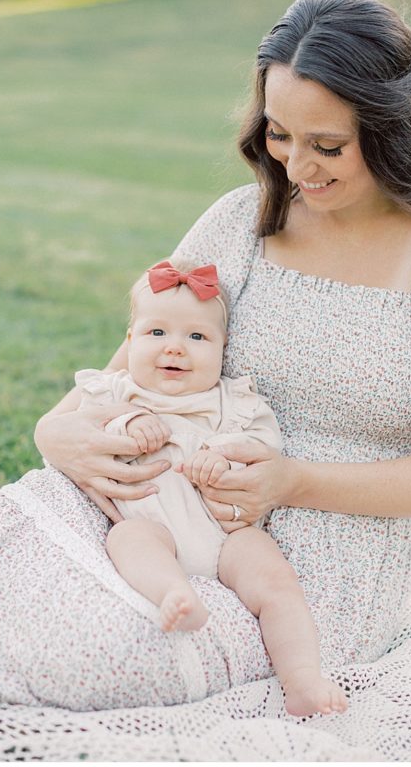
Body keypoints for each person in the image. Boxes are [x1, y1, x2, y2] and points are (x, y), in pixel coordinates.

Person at [0, 0, 411, 762]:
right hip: (155, 510)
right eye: (278, 135)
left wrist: (291, 481)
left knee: (91, 644)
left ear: (392, 127)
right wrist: (57, 432)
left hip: (307, 582)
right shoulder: (243, 219)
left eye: (327, 146)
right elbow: (119, 373)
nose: (297, 167)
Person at [79, 257, 348, 716]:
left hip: (226, 535)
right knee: (127, 539)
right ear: (130, 342)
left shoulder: (235, 403)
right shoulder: (115, 393)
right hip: (152, 523)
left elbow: (264, 446)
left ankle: (302, 677)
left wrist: (225, 451)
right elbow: (80, 435)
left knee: (277, 582)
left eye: (197, 337)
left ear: (224, 349)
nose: (175, 349)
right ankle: (174, 594)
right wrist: (127, 422)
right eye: (157, 333)